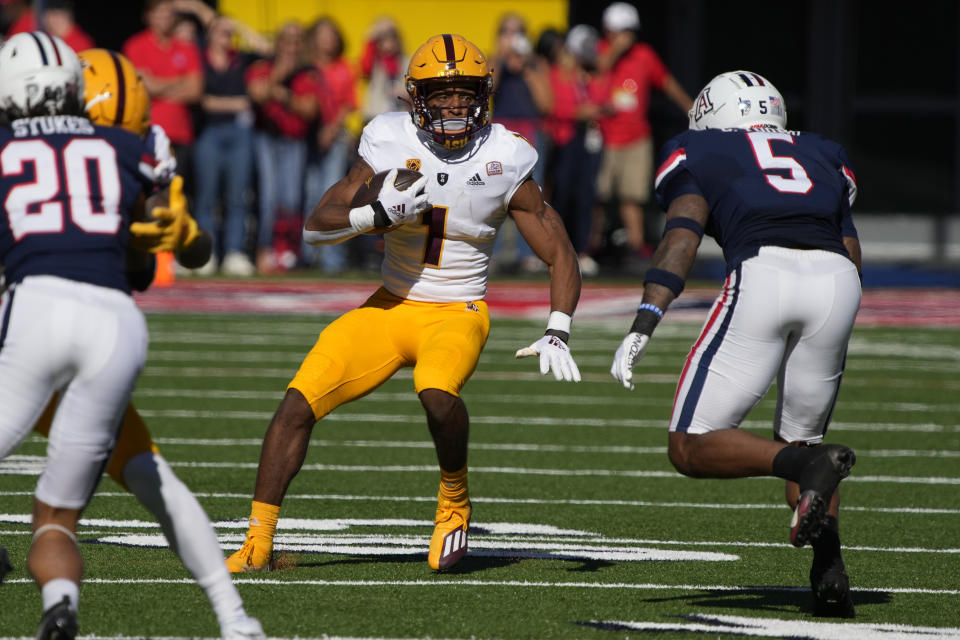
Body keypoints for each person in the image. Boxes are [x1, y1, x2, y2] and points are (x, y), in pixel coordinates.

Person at [225, 33, 583, 573]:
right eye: (441, 95)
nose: (455, 105)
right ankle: (258, 541)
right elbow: (316, 227)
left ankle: (454, 499)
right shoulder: (387, 141)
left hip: (457, 310)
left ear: (483, 96)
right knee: (296, 405)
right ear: (416, 99)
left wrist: (559, 326)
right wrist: (375, 215)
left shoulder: (506, 155)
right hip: (389, 306)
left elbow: (559, 251)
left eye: (465, 93)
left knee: (437, 393)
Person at [21, 47, 264, 639]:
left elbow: (167, 253)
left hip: (35, 335)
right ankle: (234, 619)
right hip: (86, 337)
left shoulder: (32, 142)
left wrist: (171, 236)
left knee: (130, 480)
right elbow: (170, 251)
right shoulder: (128, 147)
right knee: (135, 485)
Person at [610, 70, 862, 618]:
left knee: (690, 445)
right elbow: (848, 245)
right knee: (803, 438)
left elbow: (682, 235)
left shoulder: (698, 148)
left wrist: (646, 320)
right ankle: (830, 572)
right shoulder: (822, 151)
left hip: (764, 273)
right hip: (839, 281)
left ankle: (808, 466)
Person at [593, 2, 692, 259]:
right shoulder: (599, 51)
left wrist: (689, 107)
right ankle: (591, 245)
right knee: (599, 195)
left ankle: (635, 245)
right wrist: (614, 52)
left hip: (636, 137)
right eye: (620, 31)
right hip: (604, 135)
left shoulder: (644, 55)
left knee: (632, 195)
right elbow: (596, 74)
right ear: (609, 31)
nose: (626, 37)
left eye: (629, 31)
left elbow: (666, 81)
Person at [246, 21, 320, 273]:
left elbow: (309, 109)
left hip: (294, 140)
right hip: (266, 138)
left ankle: (289, 250)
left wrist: (282, 95)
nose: (291, 46)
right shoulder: (262, 67)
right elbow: (257, 95)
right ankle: (265, 249)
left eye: (296, 41)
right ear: (278, 44)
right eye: (286, 40)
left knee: (291, 198)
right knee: (268, 197)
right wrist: (280, 73)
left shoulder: (308, 73)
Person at [122, 0, 203, 207]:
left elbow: (195, 91)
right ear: (148, 16)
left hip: (181, 135)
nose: (164, 18)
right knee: (148, 194)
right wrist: (180, 81)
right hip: (148, 132)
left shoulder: (186, 48)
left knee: (178, 197)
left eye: (168, 13)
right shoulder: (135, 45)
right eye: (159, 12)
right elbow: (145, 87)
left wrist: (158, 85)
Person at [489, 13, 553, 274]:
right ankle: (490, 254)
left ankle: (530, 254)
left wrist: (525, 68)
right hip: (499, 132)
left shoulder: (536, 64)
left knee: (532, 195)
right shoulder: (493, 62)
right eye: (507, 31)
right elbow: (488, 90)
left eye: (518, 32)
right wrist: (501, 60)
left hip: (529, 133)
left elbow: (546, 104)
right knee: (491, 193)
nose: (513, 38)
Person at [544, 24, 606, 277]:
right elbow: (553, 107)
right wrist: (579, 112)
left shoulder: (593, 75)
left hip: (589, 138)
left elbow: (604, 98)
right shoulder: (559, 74)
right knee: (562, 194)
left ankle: (582, 250)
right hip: (565, 139)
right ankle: (557, 248)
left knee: (586, 195)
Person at [301, 17, 357, 274]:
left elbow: (348, 104)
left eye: (332, 35)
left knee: (332, 193)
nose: (328, 40)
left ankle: (333, 258)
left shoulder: (344, 67)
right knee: (309, 193)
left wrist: (331, 129)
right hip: (306, 135)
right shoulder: (306, 66)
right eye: (323, 34)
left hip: (334, 137)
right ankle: (308, 254)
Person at [5, 0, 94, 52]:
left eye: (60, 13)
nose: (56, 19)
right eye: (53, 13)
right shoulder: (28, 23)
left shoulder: (81, 42)